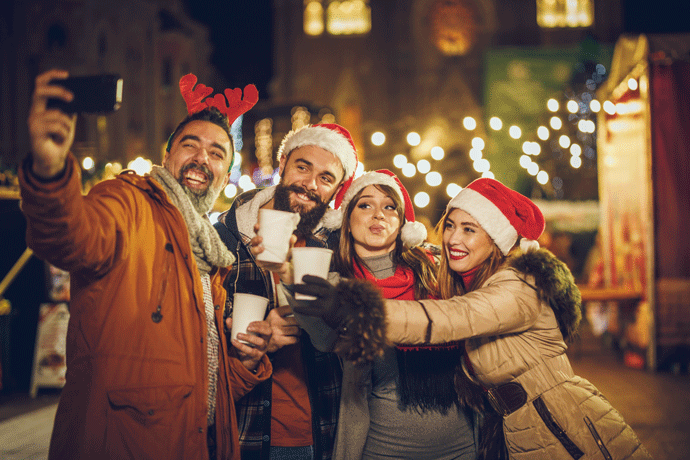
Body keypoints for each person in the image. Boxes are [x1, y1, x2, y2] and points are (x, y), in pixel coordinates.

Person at [294, 177, 652, 459]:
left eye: (470, 229)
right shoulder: (462, 282)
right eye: (450, 225)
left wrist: (357, 309)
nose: (453, 238)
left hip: (560, 425)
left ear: (495, 239)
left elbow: (451, 318)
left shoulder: (519, 283)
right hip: (516, 430)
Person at [20, 69, 273, 460]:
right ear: (168, 155)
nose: (202, 157)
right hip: (122, 443)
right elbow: (70, 237)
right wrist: (51, 172)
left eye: (217, 152)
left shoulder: (210, 253)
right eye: (190, 144)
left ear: (224, 176)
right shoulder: (128, 202)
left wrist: (243, 363)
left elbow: (199, 382)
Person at [287, 170, 480, 459]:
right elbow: (323, 339)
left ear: (402, 223)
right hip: (384, 449)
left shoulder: (438, 271)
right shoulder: (337, 286)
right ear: (346, 222)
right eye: (365, 205)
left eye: (390, 207)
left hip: (463, 447)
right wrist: (286, 273)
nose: (379, 214)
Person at [213, 123, 359, 460]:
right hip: (245, 433)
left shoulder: (339, 250)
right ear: (283, 167)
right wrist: (261, 338)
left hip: (326, 434)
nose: (310, 184)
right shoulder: (227, 239)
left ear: (335, 190)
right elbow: (198, 336)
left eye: (326, 178)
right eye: (302, 167)